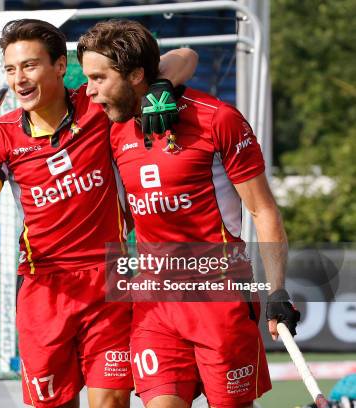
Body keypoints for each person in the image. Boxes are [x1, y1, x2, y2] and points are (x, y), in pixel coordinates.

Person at [0, 19, 197, 408]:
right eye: (11, 69)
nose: (19, 79)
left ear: (60, 66)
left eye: (30, 66)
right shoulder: (3, 134)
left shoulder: (97, 106)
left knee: (111, 402)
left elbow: (186, 57)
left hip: (108, 280)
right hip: (43, 289)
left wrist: (161, 86)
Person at [77, 20, 300, 408]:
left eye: (98, 78)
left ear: (135, 74)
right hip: (155, 302)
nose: (89, 91)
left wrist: (277, 290)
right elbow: (185, 55)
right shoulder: (111, 122)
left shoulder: (218, 119)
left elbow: (264, 210)